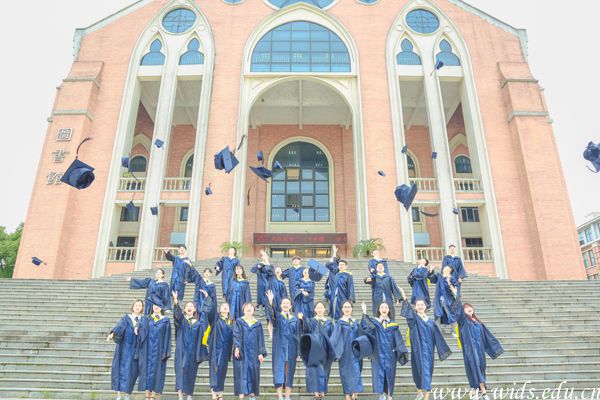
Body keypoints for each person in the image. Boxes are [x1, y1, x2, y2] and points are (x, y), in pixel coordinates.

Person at [399, 288, 452, 400]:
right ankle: (420, 393)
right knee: (418, 372)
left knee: (427, 373)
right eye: (418, 305)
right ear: (415, 307)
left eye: (422, 305)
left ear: (426, 307)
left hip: (428, 352)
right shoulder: (414, 319)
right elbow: (408, 310)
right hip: (418, 350)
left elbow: (438, 337)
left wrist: (443, 349)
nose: (420, 306)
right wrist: (403, 295)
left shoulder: (431, 322)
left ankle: (425, 396)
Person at [451, 298, 503, 400]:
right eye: (466, 308)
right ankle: (479, 393)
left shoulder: (478, 323)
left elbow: (487, 337)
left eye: (470, 306)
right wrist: (455, 294)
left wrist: (495, 348)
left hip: (480, 350)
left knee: (481, 368)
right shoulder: (463, 321)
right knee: (473, 369)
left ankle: (480, 394)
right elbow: (458, 310)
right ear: (463, 311)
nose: (469, 308)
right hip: (470, 350)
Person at [360, 301, 409, 400]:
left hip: (390, 354)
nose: (384, 309)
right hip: (378, 354)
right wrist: (364, 312)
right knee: (379, 374)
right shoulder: (374, 323)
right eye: (382, 307)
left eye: (386, 307)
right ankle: (381, 394)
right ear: (379, 310)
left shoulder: (393, 325)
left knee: (390, 374)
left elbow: (398, 339)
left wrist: (401, 351)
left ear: (389, 310)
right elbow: (366, 329)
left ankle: (390, 395)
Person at [172, 291, 210, 400]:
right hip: (181, 350)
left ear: (194, 310)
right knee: (180, 372)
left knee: (191, 373)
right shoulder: (181, 321)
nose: (189, 307)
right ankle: (180, 396)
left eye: (191, 306)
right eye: (187, 306)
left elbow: (203, 337)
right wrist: (176, 301)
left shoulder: (198, 323)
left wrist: (207, 300)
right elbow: (177, 316)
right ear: (184, 310)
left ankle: (189, 395)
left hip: (193, 351)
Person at [266, 290, 301, 400]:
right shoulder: (277, 317)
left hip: (291, 349)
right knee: (279, 371)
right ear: (281, 305)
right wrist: (271, 302)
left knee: (289, 372)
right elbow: (271, 314)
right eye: (284, 303)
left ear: (291, 306)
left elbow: (298, 336)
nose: (286, 304)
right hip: (279, 349)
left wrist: (299, 352)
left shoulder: (295, 320)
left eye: (288, 303)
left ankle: (287, 396)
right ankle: (280, 396)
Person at [108, 299, 143, 400]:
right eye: (136, 305)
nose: (137, 307)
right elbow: (119, 327)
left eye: (139, 306)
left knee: (133, 372)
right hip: (124, 348)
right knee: (119, 370)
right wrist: (112, 334)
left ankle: (128, 394)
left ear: (142, 308)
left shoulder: (143, 320)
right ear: (132, 307)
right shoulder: (126, 318)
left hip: (136, 349)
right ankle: (119, 394)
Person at [299, 302, 335, 399]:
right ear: (315, 310)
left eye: (321, 307)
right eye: (318, 307)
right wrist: (302, 320)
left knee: (325, 371)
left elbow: (332, 337)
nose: (319, 309)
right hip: (313, 350)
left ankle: (322, 392)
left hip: (325, 350)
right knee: (314, 371)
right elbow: (306, 331)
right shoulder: (311, 321)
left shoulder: (329, 323)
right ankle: (316, 393)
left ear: (324, 309)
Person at [137, 301, 172, 400]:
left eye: (159, 305)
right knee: (146, 370)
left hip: (159, 350)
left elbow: (167, 336)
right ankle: (146, 394)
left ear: (162, 307)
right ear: (152, 307)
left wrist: (165, 351)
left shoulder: (165, 320)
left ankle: (153, 395)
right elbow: (140, 327)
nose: (156, 307)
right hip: (147, 349)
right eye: (154, 305)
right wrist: (137, 327)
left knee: (158, 371)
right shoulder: (146, 319)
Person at [233, 303, 268, 400]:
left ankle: (252, 395)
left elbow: (260, 338)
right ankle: (241, 396)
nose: (249, 309)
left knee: (253, 371)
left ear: (253, 310)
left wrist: (260, 353)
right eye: (247, 307)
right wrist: (237, 347)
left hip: (254, 351)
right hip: (242, 351)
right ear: (243, 310)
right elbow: (236, 334)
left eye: (251, 307)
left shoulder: (257, 323)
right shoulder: (239, 321)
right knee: (241, 372)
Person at [330, 300, 364, 400]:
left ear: (352, 309)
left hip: (356, 351)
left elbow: (362, 334)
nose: (347, 309)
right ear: (342, 309)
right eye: (345, 307)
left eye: (349, 307)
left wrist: (364, 312)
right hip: (344, 351)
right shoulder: (339, 322)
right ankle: (347, 394)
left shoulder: (356, 322)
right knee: (345, 372)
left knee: (357, 371)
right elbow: (334, 338)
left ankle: (355, 392)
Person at [209, 302, 234, 400]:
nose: (225, 307)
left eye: (227, 307)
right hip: (216, 349)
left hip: (225, 350)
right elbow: (210, 312)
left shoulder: (231, 323)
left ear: (229, 310)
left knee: (222, 372)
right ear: (219, 310)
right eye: (223, 306)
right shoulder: (216, 320)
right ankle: (213, 392)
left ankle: (220, 393)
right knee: (215, 370)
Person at [430, 266, 460, 336]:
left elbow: (455, 290)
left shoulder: (452, 278)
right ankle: (438, 332)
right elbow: (432, 279)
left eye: (446, 268)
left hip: (448, 300)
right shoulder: (439, 276)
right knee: (437, 315)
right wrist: (431, 271)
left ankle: (454, 331)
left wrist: (449, 282)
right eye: (444, 268)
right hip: (438, 299)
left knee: (451, 315)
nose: (444, 268)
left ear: (449, 270)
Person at [266, 265, 288, 338]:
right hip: (270, 301)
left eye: (279, 270)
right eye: (276, 269)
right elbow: (268, 270)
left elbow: (284, 295)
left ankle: (279, 333)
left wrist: (284, 303)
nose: (278, 271)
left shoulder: (282, 283)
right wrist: (267, 261)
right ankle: (271, 335)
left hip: (279, 303)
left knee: (279, 318)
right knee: (269, 317)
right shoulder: (271, 278)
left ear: (281, 272)